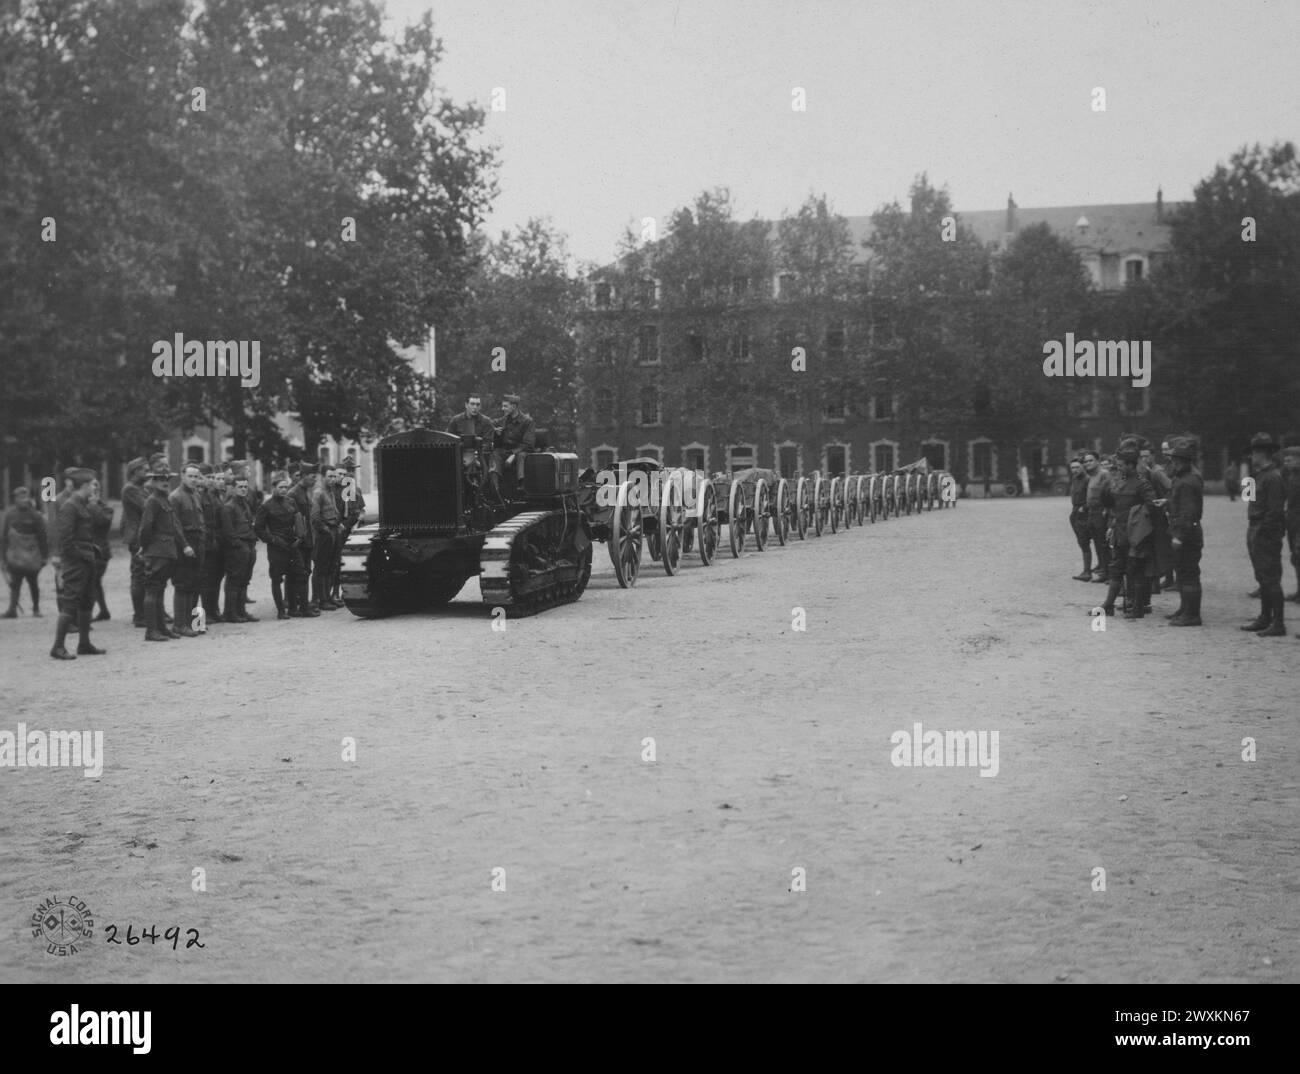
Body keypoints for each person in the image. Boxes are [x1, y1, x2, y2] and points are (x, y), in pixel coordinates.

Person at [50, 467, 105, 659]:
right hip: (76, 562)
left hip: (87, 558)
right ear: (83, 485)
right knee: (70, 602)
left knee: (87, 601)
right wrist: (78, 556)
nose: (94, 487)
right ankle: (57, 647)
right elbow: (65, 539)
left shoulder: (83, 504)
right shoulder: (70, 506)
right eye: (91, 484)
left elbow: (91, 528)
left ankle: (84, 643)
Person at [1097, 447, 1156, 619]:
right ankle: (1108, 605)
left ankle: (1138, 607)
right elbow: (1111, 505)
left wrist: (1142, 530)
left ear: (1132, 465)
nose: (1119, 467)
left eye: (1121, 465)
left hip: (1136, 535)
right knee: (1116, 569)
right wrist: (1111, 525)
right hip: (1119, 532)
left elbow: (1152, 508)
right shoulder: (1118, 481)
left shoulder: (1142, 483)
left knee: (1136, 570)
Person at [1241, 432, 1287, 637]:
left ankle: (1278, 623)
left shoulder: (1273, 477)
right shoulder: (1258, 475)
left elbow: (1275, 511)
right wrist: (1247, 477)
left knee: (1270, 577)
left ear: (1263, 453)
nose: (1251, 457)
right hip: (1255, 528)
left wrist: (1263, 532)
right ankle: (1265, 617)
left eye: (1254, 453)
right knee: (1261, 576)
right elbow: (1247, 499)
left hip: (1265, 532)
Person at [137, 461, 189, 641]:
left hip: (166, 551)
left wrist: (182, 545)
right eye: (160, 479)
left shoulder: (164, 498)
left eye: (167, 478)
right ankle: (151, 630)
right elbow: (145, 528)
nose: (164, 481)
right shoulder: (152, 500)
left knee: (160, 589)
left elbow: (174, 525)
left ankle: (161, 628)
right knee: (153, 590)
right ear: (153, 481)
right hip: (157, 551)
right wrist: (145, 547)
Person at [256, 470, 315, 619]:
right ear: (273, 488)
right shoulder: (266, 506)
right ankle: (281, 611)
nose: (283, 490)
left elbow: (298, 519)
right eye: (280, 487)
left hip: (292, 545)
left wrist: (300, 537)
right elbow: (259, 529)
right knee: (277, 579)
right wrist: (273, 539)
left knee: (300, 575)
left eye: (285, 487)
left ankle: (302, 609)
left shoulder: (290, 502)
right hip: (277, 547)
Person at [1164, 437, 1204, 626]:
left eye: (1177, 460)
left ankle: (1192, 615)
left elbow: (1189, 513)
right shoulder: (1182, 479)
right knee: (1182, 572)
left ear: (1184, 462)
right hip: (1181, 531)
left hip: (1187, 535)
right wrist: (1167, 502)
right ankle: (1185, 608)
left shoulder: (1187, 482)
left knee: (1189, 574)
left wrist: (1180, 537)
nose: (1174, 463)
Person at [168, 463, 207, 637]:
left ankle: (195, 623)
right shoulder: (175, 497)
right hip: (185, 544)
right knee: (183, 584)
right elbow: (175, 525)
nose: (193, 480)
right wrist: (184, 545)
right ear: (182, 476)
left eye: (196, 476)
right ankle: (179, 624)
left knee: (196, 584)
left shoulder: (196, 495)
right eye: (190, 476)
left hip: (198, 542)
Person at [1, 486, 50, 617]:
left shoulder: (36, 516)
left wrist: (45, 556)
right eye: (20, 497)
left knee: (33, 583)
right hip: (15, 557)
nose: (23, 499)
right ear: (15, 499)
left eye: (25, 496)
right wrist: (3, 558)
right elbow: (4, 538)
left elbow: (42, 537)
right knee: (15, 583)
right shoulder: (10, 515)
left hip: (32, 558)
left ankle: (36, 608)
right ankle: (12, 609)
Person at [219, 469, 259, 622]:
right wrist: (239, 547)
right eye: (240, 487)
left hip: (248, 546)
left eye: (245, 487)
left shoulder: (245, 504)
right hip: (237, 549)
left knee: (244, 580)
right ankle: (230, 613)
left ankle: (241, 611)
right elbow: (228, 533)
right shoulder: (228, 507)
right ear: (234, 488)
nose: (243, 489)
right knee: (234, 580)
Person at [120, 456, 150, 626]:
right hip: (137, 537)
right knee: (139, 575)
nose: (148, 473)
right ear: (135, 472)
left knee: (145, 575)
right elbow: (146, 507)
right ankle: (139, 615)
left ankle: (146, 612)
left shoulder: (140, 488)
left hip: (142, 534)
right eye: (144, 470)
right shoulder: (130, 489)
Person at [310, 465, 343, 610]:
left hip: (334, 530)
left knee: (331, 566)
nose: (332, 479)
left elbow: (333, 511)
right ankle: (320, 600)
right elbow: (315, 517)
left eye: (334, 476)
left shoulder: (330, 491)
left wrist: (338, 525)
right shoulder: (319, 493)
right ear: (323, 476)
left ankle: (328, 597)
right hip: (325, 534)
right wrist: (325, 530)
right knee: (321, 567)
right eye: (329, 476)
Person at [492, 394, 536, 498]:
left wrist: (513, 454)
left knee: (521, 456)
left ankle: (521, 485)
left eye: (505, 406)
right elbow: (489, 425)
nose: (502, 409)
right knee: (495, 453)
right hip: (505, 452)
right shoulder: (502, 421)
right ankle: (495, 487)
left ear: (514, 407)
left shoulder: (527, 421)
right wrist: (495, 432)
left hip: (521, 451)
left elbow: (528, 444)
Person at [197, 463, 225, 623]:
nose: (212, 481)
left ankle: (214, 610)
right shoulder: (200, 496)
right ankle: (206, 614)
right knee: (207, 581)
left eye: (213, 478)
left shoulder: (214, 495)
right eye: (209, 478)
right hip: (207, 544)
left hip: (216, 543)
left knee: (215, 579)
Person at [87, 478, 113, 622]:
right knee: (95, 582)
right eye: (91, 485)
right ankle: (103, 610)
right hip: (86, 549)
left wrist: (94, 504)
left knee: (92, 581)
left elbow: (102, 521)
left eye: (97, 485)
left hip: (100, 552)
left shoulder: (106, 509)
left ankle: (87, 614)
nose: (94, 488)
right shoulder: (80, 506)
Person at [1082, 451, 1110, 582]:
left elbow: (1110, 492)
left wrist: (1106, 509)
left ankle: (1108, 573)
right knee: (1098, 543)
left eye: (1090, 460)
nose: (1087, 463)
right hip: (1092, 512)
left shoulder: (1104, 474)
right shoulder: (1091, 476)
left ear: (1098, 461)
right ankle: (1103, 570)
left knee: (1104, 543)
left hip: (1101, 513)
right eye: (1086, 461)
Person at [1067, 456, 1092, 581]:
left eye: (1077, 467)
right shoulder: (1074, 478)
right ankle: (1087, 570)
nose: (1075, 470)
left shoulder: (1088, 479)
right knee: (1081, 541)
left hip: (1084, 513)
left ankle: (1087, 571)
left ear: (1083, 467)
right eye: (1072, 468)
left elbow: (1092, 496)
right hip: (1075, 512)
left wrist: (1085, 507)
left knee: (1085, 541)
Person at [1282, 445, 1300, 604]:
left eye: (1290, 460)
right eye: (1285, 460)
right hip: (1293, 522)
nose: (1286, 463)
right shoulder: (1291, 476)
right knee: (1295, 558)